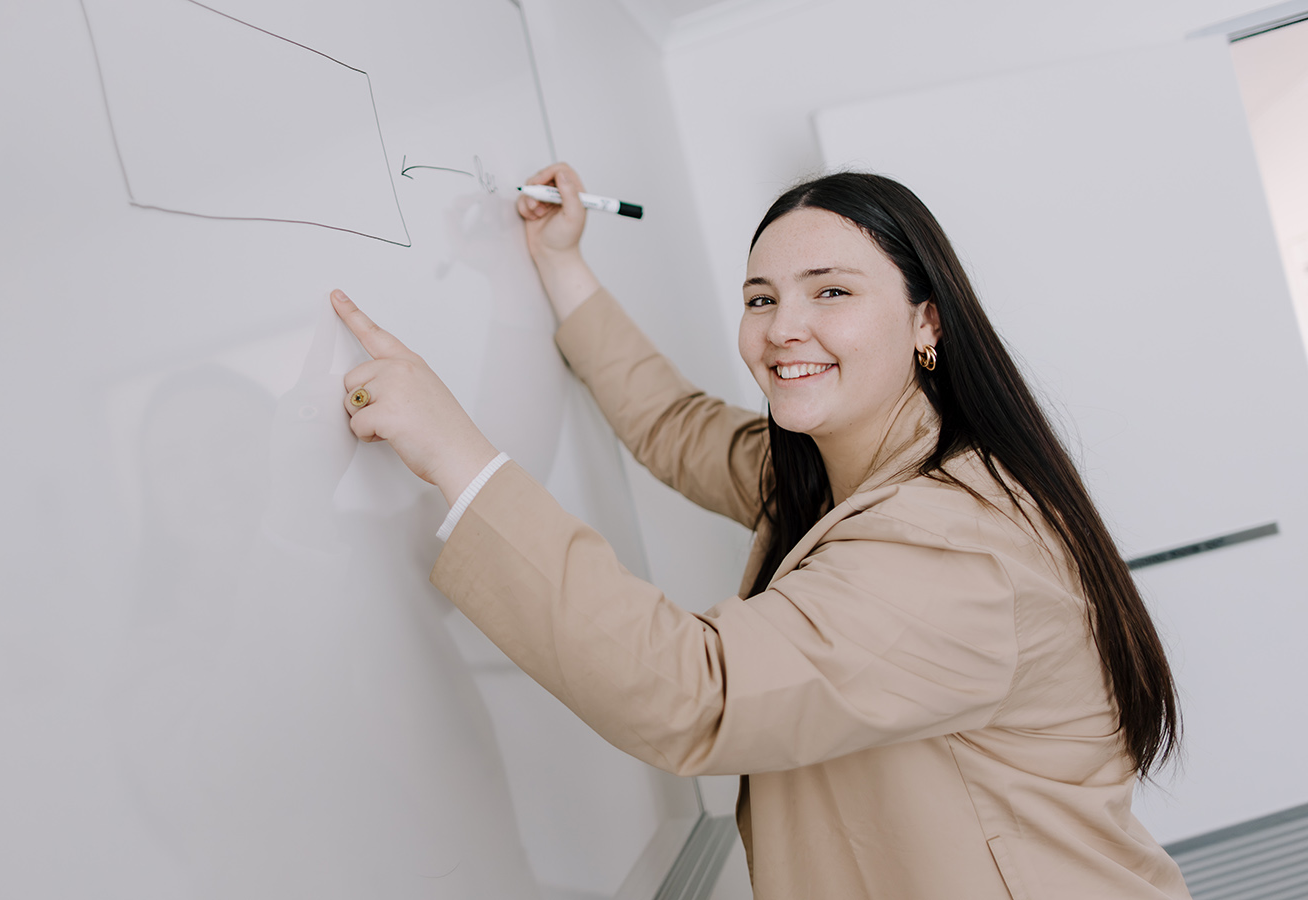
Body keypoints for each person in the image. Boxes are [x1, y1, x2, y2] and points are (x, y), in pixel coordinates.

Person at [329, 162, 1191, 899]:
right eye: (760, 297)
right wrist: (560, 265)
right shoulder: (836, 468)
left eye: (832, 293)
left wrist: (453, 451)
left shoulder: (955, 551)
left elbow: (694, 692)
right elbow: (671, 424)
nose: (784, 328)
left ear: (926, 320)